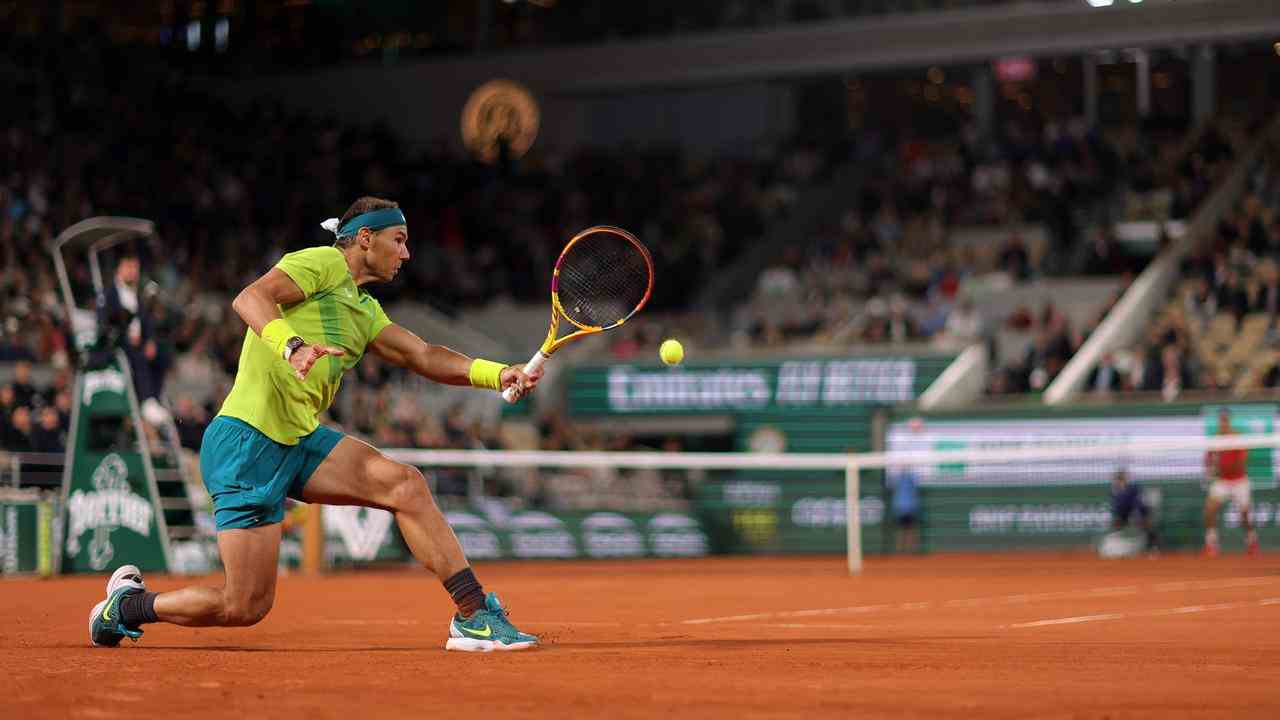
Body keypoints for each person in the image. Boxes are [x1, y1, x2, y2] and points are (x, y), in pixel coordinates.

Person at [89, 197, 543, 652]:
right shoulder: (324, 262)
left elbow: (422, 356)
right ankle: (126, 608)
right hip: (246, 442)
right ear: (365, 239)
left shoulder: (363, 311)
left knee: (405, 485)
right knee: (244, 605)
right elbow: (251, 298)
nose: (406, 254)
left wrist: (498, 372)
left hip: (298, 440)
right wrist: (291, 345)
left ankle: (474, 615)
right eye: (399, 240)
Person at [1202, 409, 1259, 557]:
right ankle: (1211, 543)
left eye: (1226, 420)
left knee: (1245, 514)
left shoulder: (1237, 438)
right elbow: (1207, 461)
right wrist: (1210, 469)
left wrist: (1219, 466)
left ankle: (1251, 540)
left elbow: (1240, 464)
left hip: (1239, 481)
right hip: (1222, 482)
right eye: (1221, 420)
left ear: (1230, 421)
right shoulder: (1215, 440)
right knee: (1209, 509)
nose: (1223, 423)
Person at [1109, 469, 1158, 551]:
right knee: (1117, 524)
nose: (1118, 481)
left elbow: (1139, 502)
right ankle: (1118, 545)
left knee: (1145, 523)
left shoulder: (1133, 488)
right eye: (1117, 479)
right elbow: (1116, 507)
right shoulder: (1114, 491)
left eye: (1121, 478)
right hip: (1124, 513)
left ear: (1125, 479)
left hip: (1139, 510)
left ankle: (1153, 545)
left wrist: (1137, 514)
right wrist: (1119, 518)